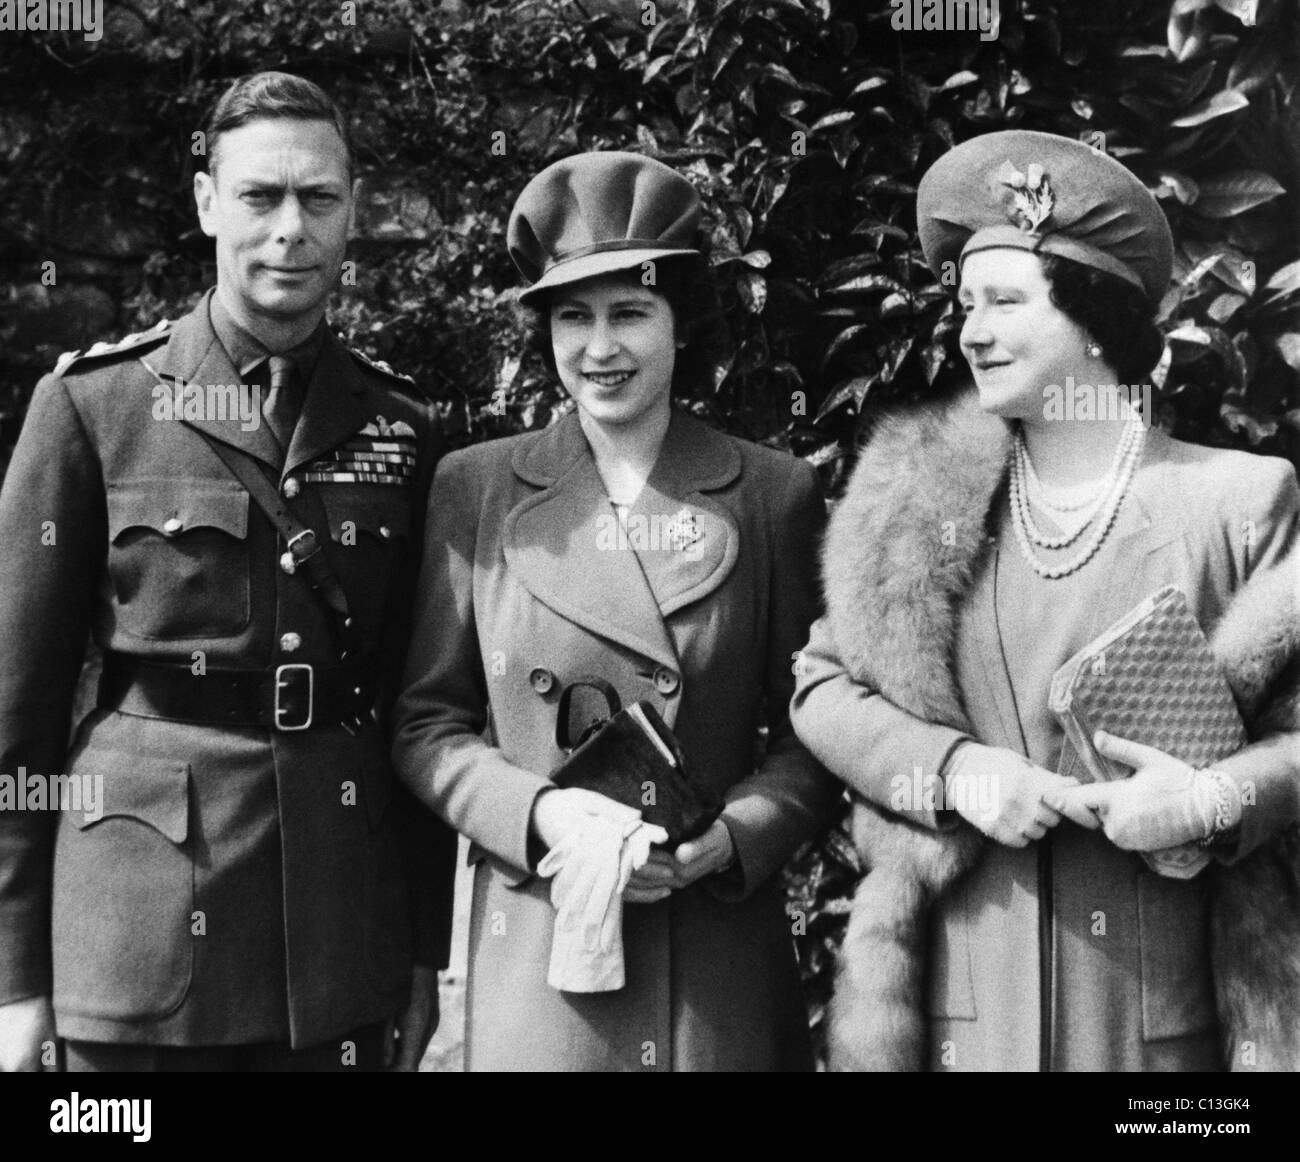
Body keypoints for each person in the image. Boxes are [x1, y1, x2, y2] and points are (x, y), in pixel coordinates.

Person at [790, 130, 1300, 1072]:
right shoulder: (915, 503)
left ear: (1098, 319)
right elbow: (820, 688)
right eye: (964, 305)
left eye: (1005, 302)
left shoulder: (1236, 501)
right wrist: (951, 773)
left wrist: (1210, 799)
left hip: (1161, 1042)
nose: (970, 331)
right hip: (956, 1022)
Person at [0, 71, 456, 1072]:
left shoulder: (403, 427)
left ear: (352, 213)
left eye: (318, 198)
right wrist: (13, 982)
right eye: (259, 196)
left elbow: (424, 711)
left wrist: (422, 960)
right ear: (208, 201)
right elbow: (15, 718)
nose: (290, 228)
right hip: (138, 937)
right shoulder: (95, 408)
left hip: (338, 943)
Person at [391, 150, 843, 1071]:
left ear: (683, 326)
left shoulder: (770, 494)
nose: (601, 350)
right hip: (544, 948)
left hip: (713, 963)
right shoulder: (475, 488)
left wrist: (731, 839)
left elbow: (816, 733)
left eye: (631, 314)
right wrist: (539, 817)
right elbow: (426, 725)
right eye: (574, 318)